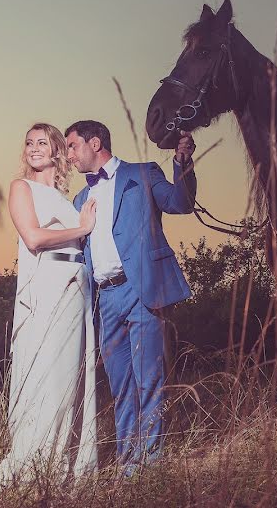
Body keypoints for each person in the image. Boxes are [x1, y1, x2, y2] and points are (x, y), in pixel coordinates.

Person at [65, 120, 196, 475]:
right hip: (105, 300)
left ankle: (152, 463)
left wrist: (183, 163)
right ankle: (129, 464)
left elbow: (181, 203)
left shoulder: (142, 173)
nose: (70, 155)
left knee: (148, 378)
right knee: (121, 385)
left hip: (142, 291)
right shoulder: (81, 198)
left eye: (73, 146)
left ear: (95, 143)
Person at [0, 123, 99, 487]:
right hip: (47, 288)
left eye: (42, 142)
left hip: (76, 290)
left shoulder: (67, 200)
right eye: (29, 143)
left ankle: (66, 468)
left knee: (69, 382)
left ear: (57, 150)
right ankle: (32, 469)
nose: (34, 148)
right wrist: (82, 229)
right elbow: (35, 238)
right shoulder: (20, 188)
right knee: (44, 379)